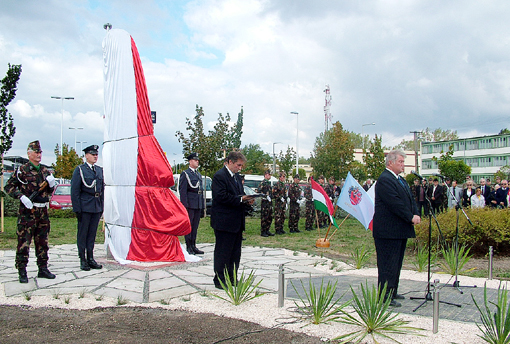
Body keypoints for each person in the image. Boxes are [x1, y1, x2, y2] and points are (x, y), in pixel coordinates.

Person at [372, 149, 420, 307]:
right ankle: (385, 296)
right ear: (390, 162)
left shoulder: (400, 179)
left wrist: (416, 213)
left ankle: (392, 290)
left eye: (403, 162)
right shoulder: (385, 179)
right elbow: (395, 203)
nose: (403, 165)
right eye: (400, 162)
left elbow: (410, 199)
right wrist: (409, 216)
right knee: (387, 264)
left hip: (399, 230)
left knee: (396, 263)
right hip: (388, 231)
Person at [5, 140, 56, 283]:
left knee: (43, 242)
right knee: (24, 242)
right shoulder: (22, 171)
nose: (39, 155)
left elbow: (48, 191)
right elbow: (8, 187)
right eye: (36, 152)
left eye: (40, 152)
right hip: (28, 211)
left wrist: (51, 185)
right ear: (29, 154)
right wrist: (21, 197)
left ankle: (43, 268)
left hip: (42, 211)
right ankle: (22, 270)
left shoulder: (45, 171)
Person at [210, 151, 253, 289]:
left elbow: (239, 195)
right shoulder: (219, 176)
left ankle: (232, 278)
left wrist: (247, 200)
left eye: (241, 165)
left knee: (235, 253)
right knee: (223, 252)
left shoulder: (236, 177)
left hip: (236, 222)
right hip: (224, 222)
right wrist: (241, 199)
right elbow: (221, 197)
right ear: (229, 162)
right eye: (238, 165)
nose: (240, 168)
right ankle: (220, 280)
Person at [71, 144, 104, 271]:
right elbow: (75, 191)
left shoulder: (99, 170)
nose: (95, 156)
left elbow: (102, 189)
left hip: (96, 206)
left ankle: (90, 258)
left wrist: (101, 206)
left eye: (96, 154)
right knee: (83, 234)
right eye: (92, 154)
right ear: (86, 156)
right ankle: (83, 259)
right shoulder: (80, 170)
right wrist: (77, 209)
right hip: (85, 206)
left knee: (92, 234)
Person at [179, 152, 205, 255]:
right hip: (190, 204)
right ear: (190, 161)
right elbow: (183, 191)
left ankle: (193, 245)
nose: (197, 161)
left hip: (197, 203)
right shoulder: (185, 174)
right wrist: (184, 206)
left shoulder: (198, 174)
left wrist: (202, 205)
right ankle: (188, 245)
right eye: (195, 160)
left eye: (198, 160)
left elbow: (200, 190)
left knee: (195, 226)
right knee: (189, 226)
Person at [257, 170, 274, 237]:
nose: (270, 176)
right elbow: (258, 191)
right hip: (264, 202)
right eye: (269, 175)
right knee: (265, 217)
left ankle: (267, 230)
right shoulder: (263, 183)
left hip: (269, 203)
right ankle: (263, 231)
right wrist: (265, 196)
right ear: (266, 175)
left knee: (269, 217)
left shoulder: (268, 183)